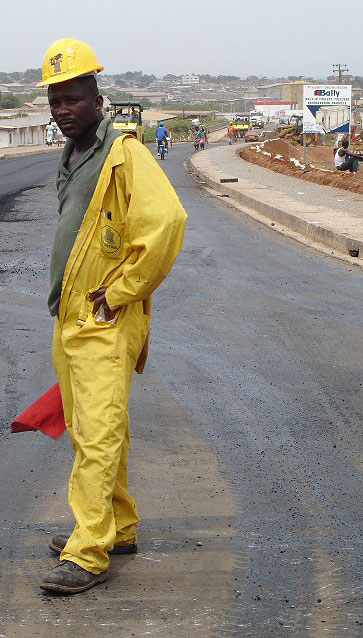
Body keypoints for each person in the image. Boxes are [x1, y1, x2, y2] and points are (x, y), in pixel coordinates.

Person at [35, 38, 187, 595]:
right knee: (89, 430)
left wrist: (122, 290)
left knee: (97, 434)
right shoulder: (74, 152)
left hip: (101, 317)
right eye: (55, 101)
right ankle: (117, 526)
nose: (61, 110)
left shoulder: (123, 152)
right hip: (69, 318)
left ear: (98, 100)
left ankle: (89, 551)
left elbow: (167, 220)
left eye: (72, 98)